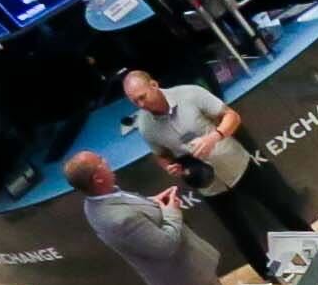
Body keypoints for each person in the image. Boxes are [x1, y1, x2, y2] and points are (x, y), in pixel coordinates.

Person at [118, 66, 306, 267]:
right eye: (134, 101)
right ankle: (268, 274)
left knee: (279, 206)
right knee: (240, 233)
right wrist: (170, 167)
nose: (141, 104)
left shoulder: (190, 93)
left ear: (154, 85)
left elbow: (231, 116)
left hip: (236, 165)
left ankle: (315, 243)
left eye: (142, 97)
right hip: (207, 183)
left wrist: (214, 136)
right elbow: (161, 154)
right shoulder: (146, 126)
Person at [66, 148, 238, 285]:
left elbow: (132, 209)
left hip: (191, 271)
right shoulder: (117, 219)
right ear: (98, 178)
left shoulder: (96, 201)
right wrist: (171, 211)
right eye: (100, 161)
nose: (106, 160)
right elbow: (165, 246)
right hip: (188, 280)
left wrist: (154, 203)